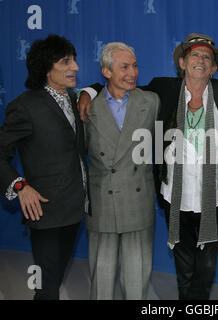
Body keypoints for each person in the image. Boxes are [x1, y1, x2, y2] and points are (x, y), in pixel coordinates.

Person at [78, 33, 218, 300]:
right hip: (175, 193)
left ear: (214, 68)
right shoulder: (163, 89)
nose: (201, 61)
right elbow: (119, 86)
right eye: (195, 56)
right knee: (184, 262)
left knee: (208, 264)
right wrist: (88, 91)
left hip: (214, 196)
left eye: (207, 58)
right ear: (181, 62)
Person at [0, 35, 87, 300]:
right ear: (46, 68)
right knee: (48, 286)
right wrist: (19, 185)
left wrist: (88, 93)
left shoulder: (76, 100)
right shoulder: (24, 107)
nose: (76, 67)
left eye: (74, 60)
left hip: (74, 209)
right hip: (45, 211)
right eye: (66, 61)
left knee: (56, 277)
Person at [85, 42, 159, 300]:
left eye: (135, 66)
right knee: (101, 279)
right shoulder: (86, 107)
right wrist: (86, 92)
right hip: (102, 202)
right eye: (124, 67)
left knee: (137, 280)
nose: (133, 73)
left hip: (138, 202)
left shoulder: (150, 101)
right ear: (106, 72)